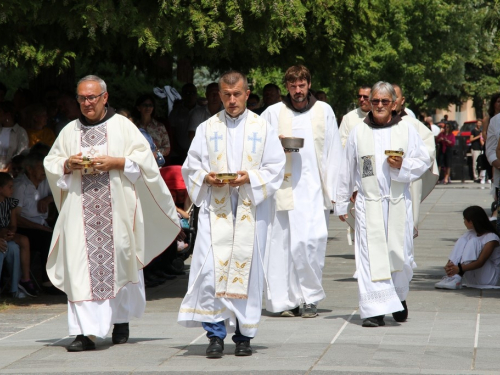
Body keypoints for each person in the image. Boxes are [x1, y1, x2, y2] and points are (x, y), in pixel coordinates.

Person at [43, 75, 180, 352]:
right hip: (79, 212)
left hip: (117, 210)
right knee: (80, 267)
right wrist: (68, 163)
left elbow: (146, 162)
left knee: (120, 262)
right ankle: (85, 332)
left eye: (92, 97)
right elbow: (52, 161)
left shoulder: (123, 126)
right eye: (82, 98)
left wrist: (117, 161)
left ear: (105, 97)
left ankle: (120, 319)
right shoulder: (70, 130)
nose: (87, 103)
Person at [178, 70, 285, 358]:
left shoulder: (262, 128)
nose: (232, 100)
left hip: (251, 210)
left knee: (246, 273)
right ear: (219, 96)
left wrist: (249, 177)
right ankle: (214, 335)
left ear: (247, 94)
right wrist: (206, 178)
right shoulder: (207, 128)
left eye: (237, 94)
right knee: (212, 271)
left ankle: (244, 336)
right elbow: (191, 167)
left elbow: (276, 167)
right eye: (226, 95)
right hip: (217, 211)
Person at [337, 82, 431, 327]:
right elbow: (346, 169)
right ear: (369, 102)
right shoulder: (359, 131)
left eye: (384, 102)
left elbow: (423, 161)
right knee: (369, 258)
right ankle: (373, 311)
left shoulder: (407, 130)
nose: (379, 105)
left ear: (394, 104)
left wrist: (403, 166)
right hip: (369, 205)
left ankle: (398, 298)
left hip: (398, 202)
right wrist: (340, 202)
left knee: (399, 255)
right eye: (375, 101)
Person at [261, 65, 342, 318]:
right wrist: (276, 146)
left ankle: (309, 298)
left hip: (314, 191)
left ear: (309, 85)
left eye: (302, 85)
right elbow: (258, 148)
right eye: (293, 86)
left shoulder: (324, 111)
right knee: (282, 247)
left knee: (311, 243)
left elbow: (334, 153)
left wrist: (336, 193)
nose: (298, 90)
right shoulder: (273, 113)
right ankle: (285, 301)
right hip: (283, 191)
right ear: (287, 86)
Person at [393, 84, 438, 236]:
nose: (391, 101)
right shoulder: (368, 125)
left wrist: (405, 163)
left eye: (395, 96)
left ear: (402, 100)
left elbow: (428, 152)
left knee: (404, 230)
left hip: (407, 179)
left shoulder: (413, 125)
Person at [13, 152, 54, 292]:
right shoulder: (20, 186)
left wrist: (48, 199)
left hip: (42, 225)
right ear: (30, 169)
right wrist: (40, 228)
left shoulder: (44, 181)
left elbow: (60, 192)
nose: (44, 170)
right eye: (40, 167)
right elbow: (16, 217)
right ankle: (47, 282)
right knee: (47, 238)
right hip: (24, 227)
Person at [435, 206, 500, 289]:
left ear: (471, 222)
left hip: (489, 277)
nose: (464, 222)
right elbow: (459, 250)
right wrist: (450, 266)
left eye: (465, 219)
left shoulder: (491, 238)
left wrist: (459, 269)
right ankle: (452, 277)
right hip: (471, 277)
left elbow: (480, 262)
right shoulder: (469, 234)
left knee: (474, 241)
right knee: (463, 240)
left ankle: (458, 276)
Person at [133, 93, 171, 159]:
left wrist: (155, 153)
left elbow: (167, 148)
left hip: (156, 163)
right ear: (138, 108)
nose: (148, 108)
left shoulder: (160, 127)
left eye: (150, 105)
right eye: (145, 105)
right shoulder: (134, 126)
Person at [169, 83, 198, 164]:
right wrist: (180, 151)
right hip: (178, 154)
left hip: (198, 154)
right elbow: (171, 134)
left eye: (193, 93)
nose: (190, 96)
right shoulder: (175, 112)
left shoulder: (201, 111)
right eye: (187, 93)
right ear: (182, 95)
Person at [0, 101, 29, 173]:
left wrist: (7, 169)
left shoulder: (20, 132)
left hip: (12, 173)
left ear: (7, 115)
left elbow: (21, 153)